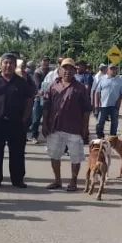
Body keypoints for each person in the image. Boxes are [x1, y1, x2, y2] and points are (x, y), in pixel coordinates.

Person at [0, 53, 33, 189]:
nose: (8, 65)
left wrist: (25, 116)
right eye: (6, 63)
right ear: (0, 65)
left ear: (15, 66)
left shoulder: (22, 82)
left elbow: (29, 100)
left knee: (17, 152)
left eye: (11, 63)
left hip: (17, 123)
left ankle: (17, 180)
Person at [43, 57, 92, 192]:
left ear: (75, 71)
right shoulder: (53, 85)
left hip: (74, 127)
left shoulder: (81, 88)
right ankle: (57, 180)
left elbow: (87, 110)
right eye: (65, 68)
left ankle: (73, 181)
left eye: (71, 69)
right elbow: (46, 106)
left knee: (75, 155)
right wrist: (44, 124)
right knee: (54, 154)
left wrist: (85, 128)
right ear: (60, 69)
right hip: (55, 126)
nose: (67, 71)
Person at [92, 62, 122, 139]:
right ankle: (100, 136)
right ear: (108, 70)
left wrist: (118, 101)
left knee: (114, 122)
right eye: (111, 69)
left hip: (114, 105)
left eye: (114, 69)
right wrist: (96, 104)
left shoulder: (119, 80)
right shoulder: (102, 79)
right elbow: (97, 92)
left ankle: (112, 137)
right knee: (100, 122)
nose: (113, 70)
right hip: (103, 105)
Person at [30, 56, 52, 141]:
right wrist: (40, 91)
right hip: (39, 98)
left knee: (49, 118)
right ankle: (34, 136)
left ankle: (49, 137)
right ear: (40, 62)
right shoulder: (37, 72)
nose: (46, 62)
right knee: (36, 118)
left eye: (47, 61)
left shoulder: (51, 72)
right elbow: (37, 84)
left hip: (49, 98)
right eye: (44, 60)